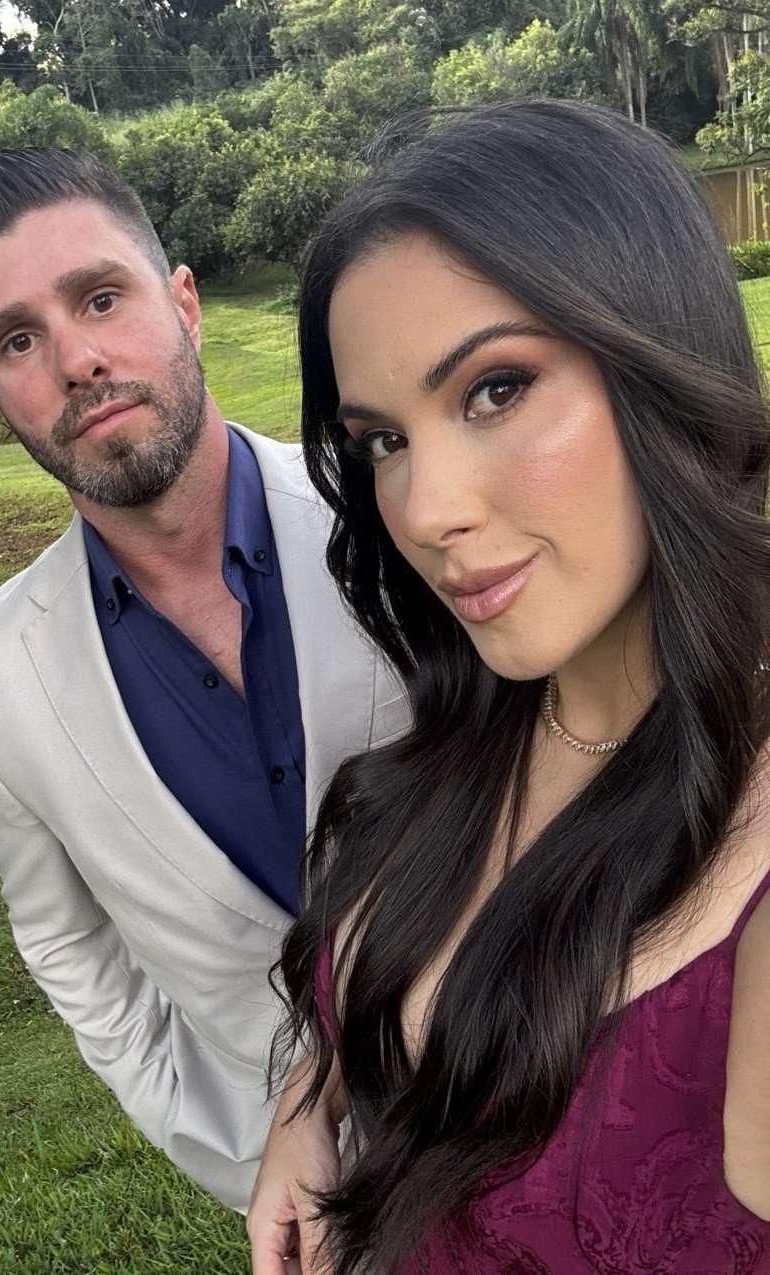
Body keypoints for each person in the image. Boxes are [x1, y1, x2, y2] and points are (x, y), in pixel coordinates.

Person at [247, 100, 770, 1273]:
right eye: (382, 441)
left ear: (658, 360)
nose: (426, 512)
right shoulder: (473, 721)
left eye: (493, 390)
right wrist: (308, 1109)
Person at [0, 147, 407, 1214]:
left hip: (556, 1096)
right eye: (17, 339)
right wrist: (218, 1142)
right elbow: (65, 942)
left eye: (101, 298)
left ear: (183, 302)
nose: (76, 361)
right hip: (309, 1207)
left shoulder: (390, 512)